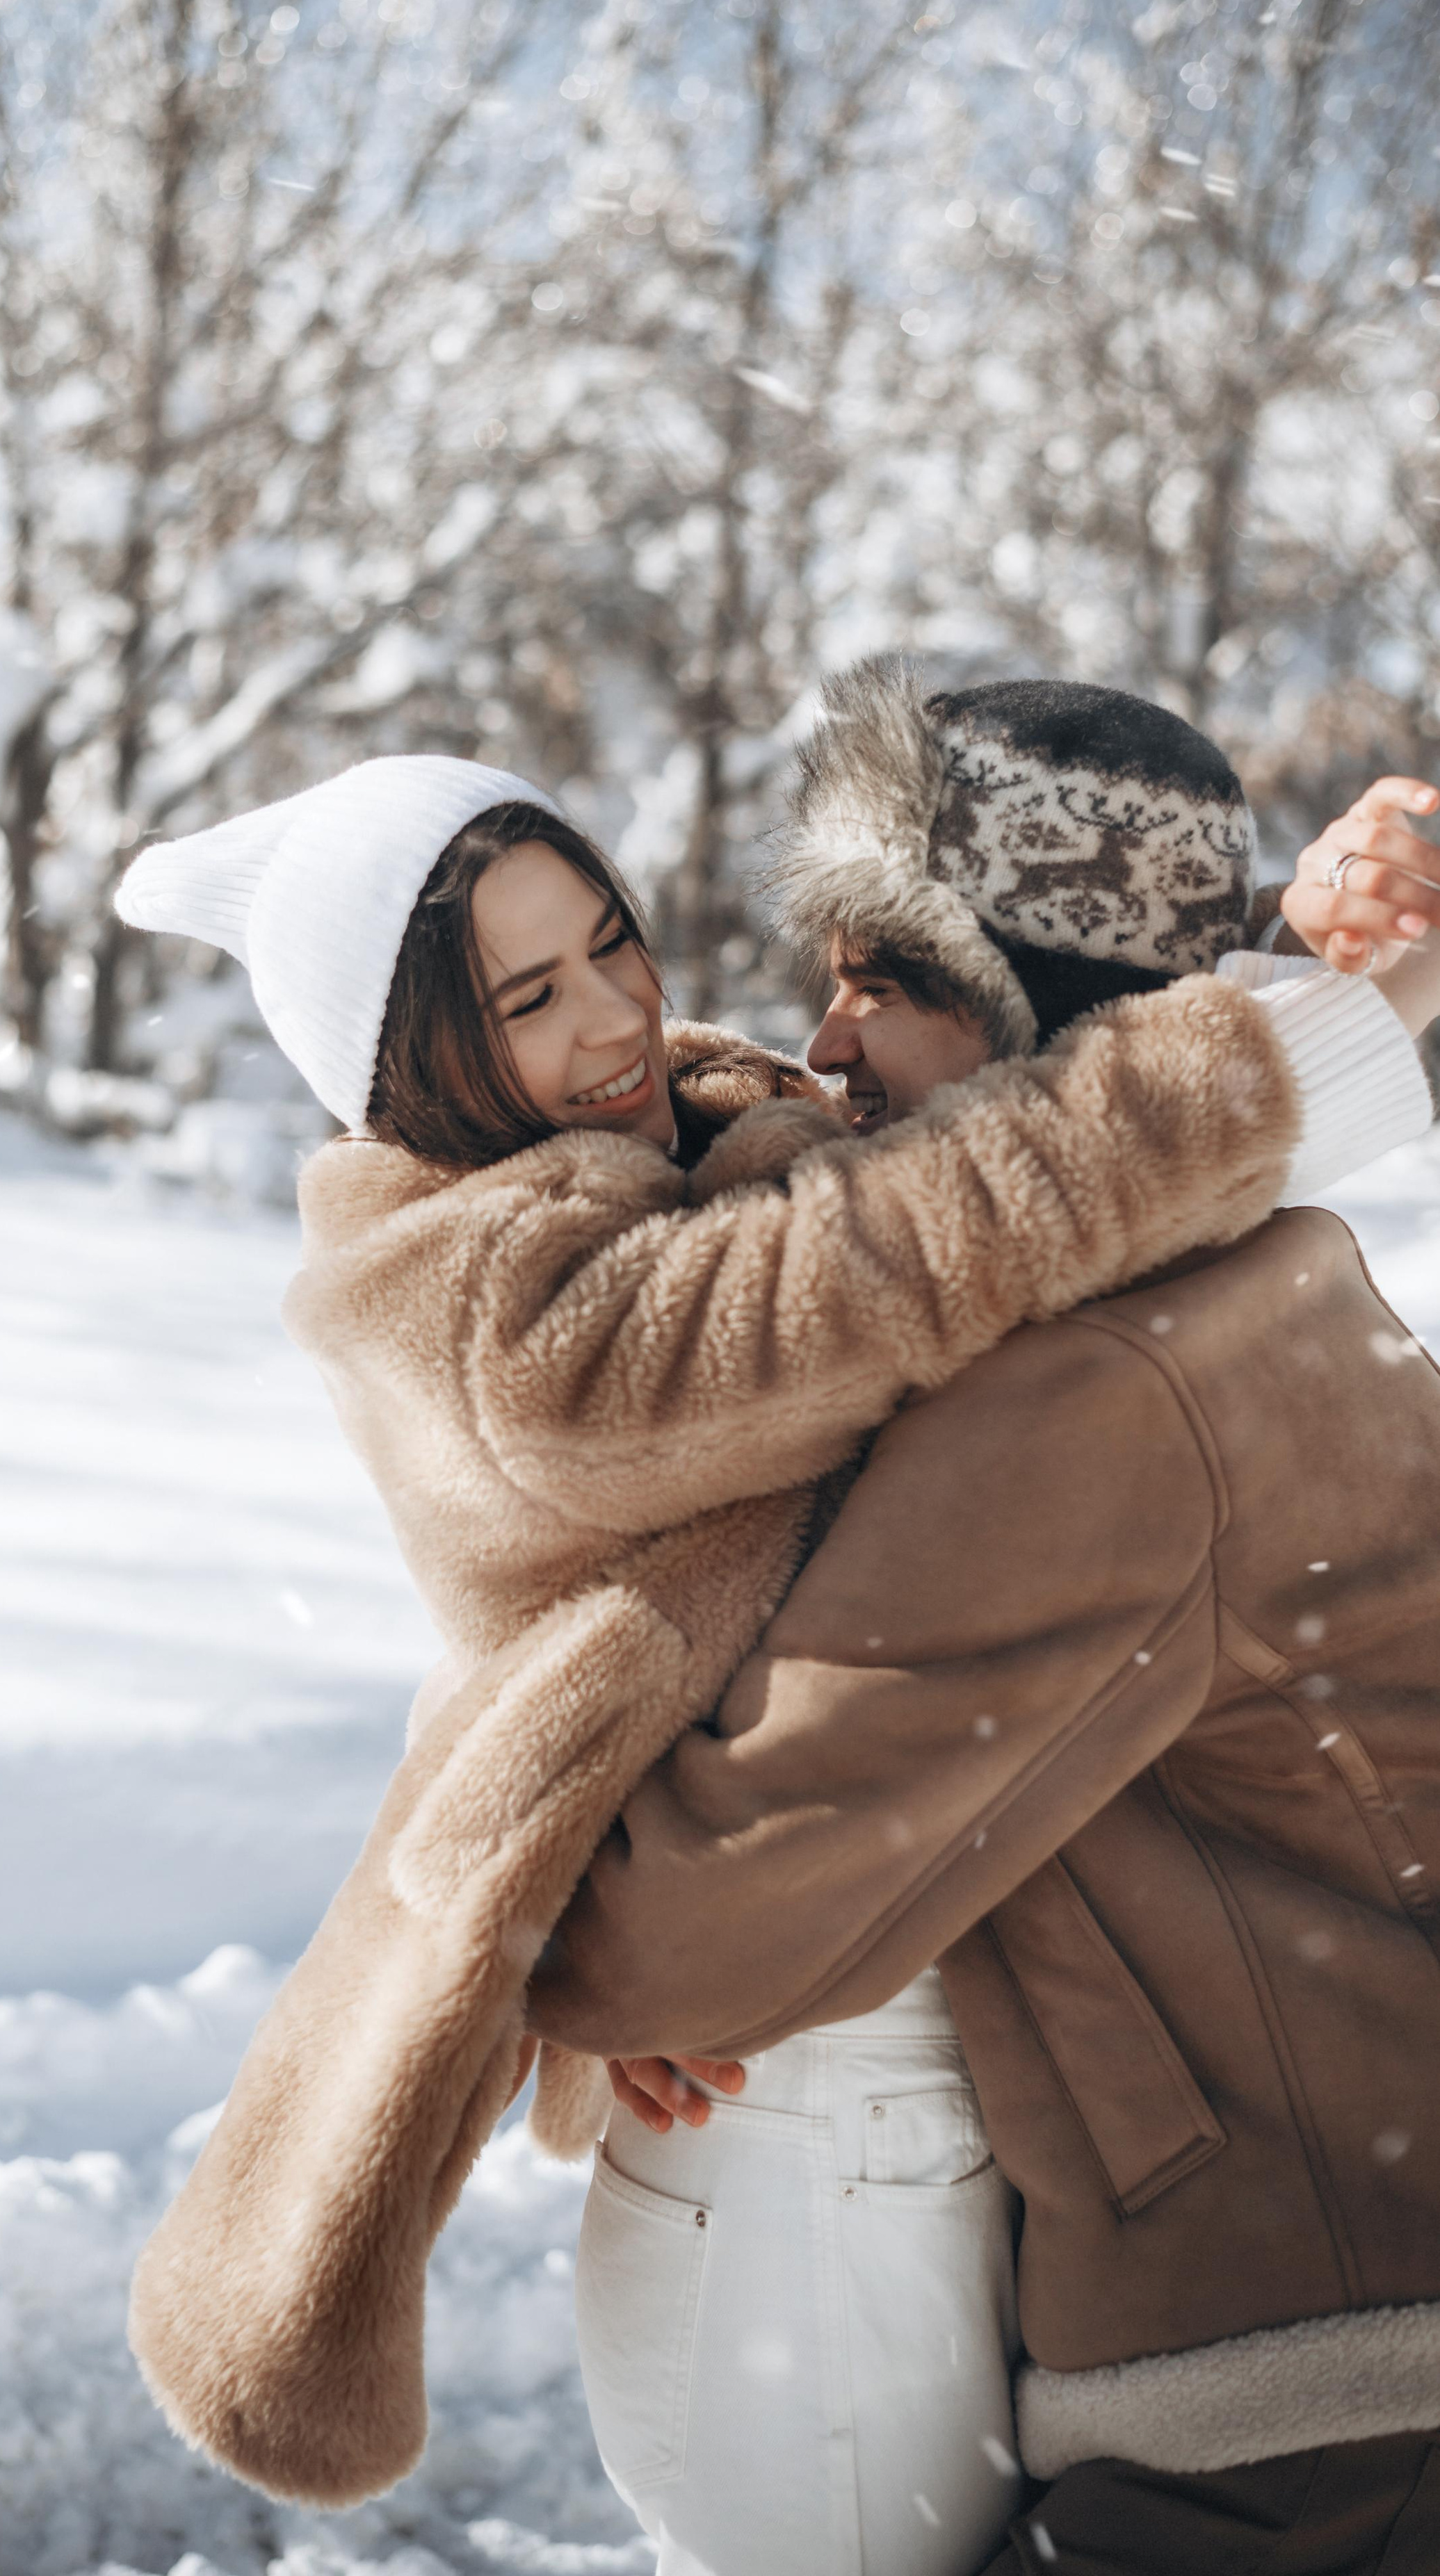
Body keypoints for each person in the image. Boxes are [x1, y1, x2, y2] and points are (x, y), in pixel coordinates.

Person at [108, 709, 1427, 2543]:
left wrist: (1284, 969)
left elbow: (995, 1130)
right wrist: (1292, 1017)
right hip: (1068, 2230)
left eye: (612, 946)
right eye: (521, 1001)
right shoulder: (539, 1314)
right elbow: (883, 1243)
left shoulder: (1087, 1370)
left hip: (1247, 2335)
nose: (632, 1023)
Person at [528, 664, 1440, 2576]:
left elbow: (722, 1906)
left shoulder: (1096, 1389)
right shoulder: (1259, 1267)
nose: (827, 1029)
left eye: (898, 979)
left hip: (1306, 2384)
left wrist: (580, 1956)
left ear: (1052, 1015)